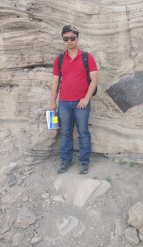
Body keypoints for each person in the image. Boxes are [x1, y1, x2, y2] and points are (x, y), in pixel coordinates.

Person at [50, 25, 98, 174]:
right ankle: (65, 161)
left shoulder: (87, 57)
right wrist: (53, 102)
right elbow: (55, 82)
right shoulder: (59, 59)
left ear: (77, 39)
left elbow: (94, 80)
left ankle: (84, 162)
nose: (69, 41)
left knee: (83, 132)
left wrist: (86, 99)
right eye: (66, 38)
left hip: (81, 103)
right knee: (65, 133)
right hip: (64, 102)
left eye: (72, 38)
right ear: (63, 40)